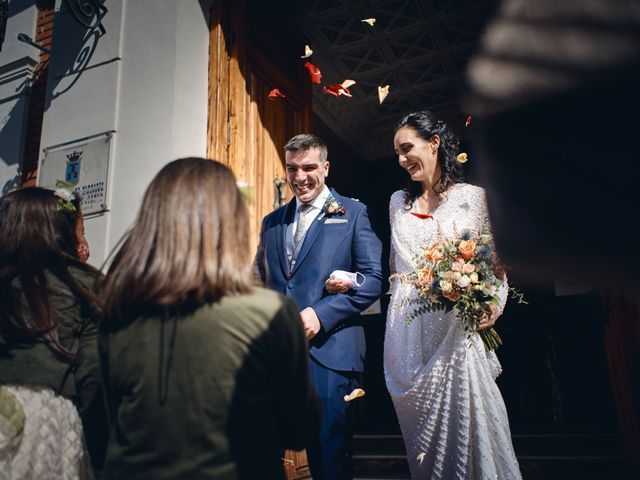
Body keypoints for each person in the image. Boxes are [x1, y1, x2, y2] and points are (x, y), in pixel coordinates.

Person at [99, 157, 320, 480]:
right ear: (229, 224)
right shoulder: (271, 313)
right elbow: (298, 431)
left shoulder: (117, 312)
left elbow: (108, 423)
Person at [384, 111, 521, 478]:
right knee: (424, 450)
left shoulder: (473, 199)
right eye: (397, 152)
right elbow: (395, 269)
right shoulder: (398, 203)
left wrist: (492, 302)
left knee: (474, 427)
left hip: (457, 333)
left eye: (407, 148)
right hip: (406, 334)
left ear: (434, 143)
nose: (401, 159)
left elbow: (496, 264)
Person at [254, 134, 383, 479]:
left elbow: (373, 280)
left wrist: (320, 315)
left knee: (329, 459)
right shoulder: (272, 222)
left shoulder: (354, 213)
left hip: (330, 355)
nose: (299, 177)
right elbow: (258, 282)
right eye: (292, 168)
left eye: (309, 167)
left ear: (326, 168)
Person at [0, 187, 106, 479]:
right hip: (42, 418)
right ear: (60, 233)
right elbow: (93, 377)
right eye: (80, 232)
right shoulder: (85, 284)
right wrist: (98, 449)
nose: (84, 242)